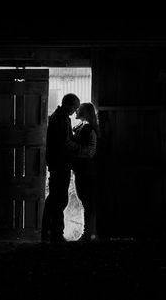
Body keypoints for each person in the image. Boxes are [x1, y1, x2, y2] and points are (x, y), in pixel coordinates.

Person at [41, 93, 88, 243]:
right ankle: (54, 233)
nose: (75, 112)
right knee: (59, 199)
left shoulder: (58, 117)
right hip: (60, 164)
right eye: (74, 108)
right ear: (69, 105)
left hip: (58, 164)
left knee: (56, 198)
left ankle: (50, 233)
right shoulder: (61, 119)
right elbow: (64, 143)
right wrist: (81, 148)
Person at [72, 102, 99, 242]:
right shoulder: (82, 127)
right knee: (85, 202)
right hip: (82, 170)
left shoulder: (89, 129)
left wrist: (73, 149)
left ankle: (88, 233)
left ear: (86, 113)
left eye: (80, 109)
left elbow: (90, 152)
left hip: (86, 171)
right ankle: (88, 233)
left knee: (87, 202)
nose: (76, 110)